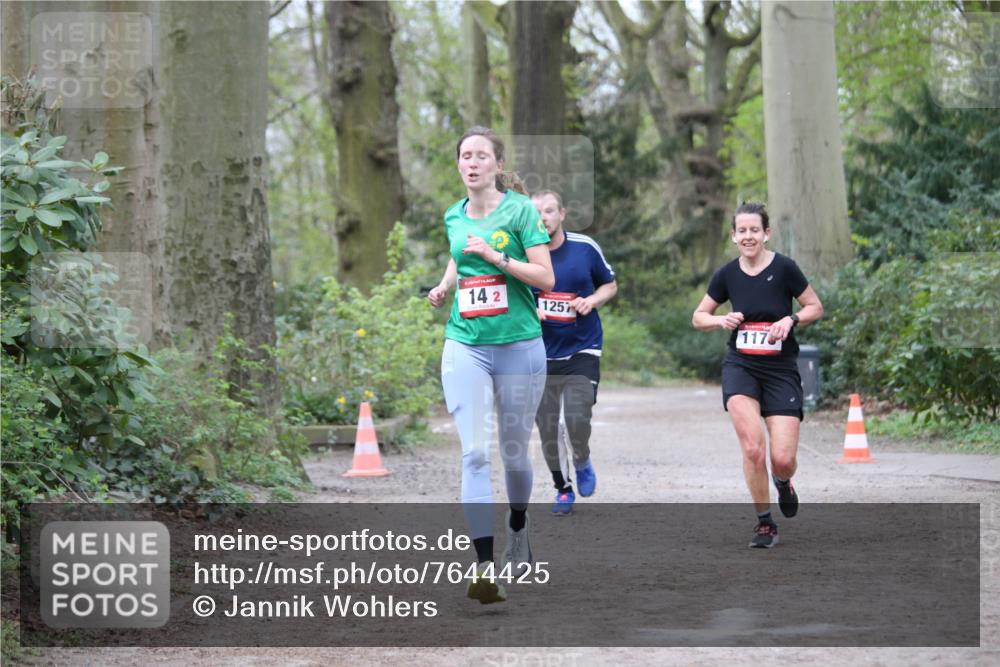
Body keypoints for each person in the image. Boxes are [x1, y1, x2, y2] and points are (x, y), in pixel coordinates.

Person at [427, 127, 554, 603]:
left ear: (498, 165)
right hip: (466, 344)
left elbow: (545, 277)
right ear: (458, 165)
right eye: (465, 155)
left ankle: (518, 523)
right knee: (476, 453)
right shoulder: (453, 214)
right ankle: (484, 568)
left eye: (482, 155)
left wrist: (497, 257)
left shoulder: (520, 211)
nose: (472, 162)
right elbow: (459, 255)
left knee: (514, 452)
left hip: (519, 345)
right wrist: (446, 285)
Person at [691, 202, 823, 549]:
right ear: (733, 237)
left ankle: (783, 481)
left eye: (754, 230)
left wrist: (791, 320)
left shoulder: (784, 268)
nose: (748, 236)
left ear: (766, 234)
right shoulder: (727, 274)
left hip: (780, 370)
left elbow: (815, 306)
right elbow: (699, 317)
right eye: (742, 231)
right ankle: (765, 522)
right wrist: (721, 319)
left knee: (783, 459)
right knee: (752, 449)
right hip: (741, 367)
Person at [531, 190, 617, 515]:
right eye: (536, 213)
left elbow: (610, 284)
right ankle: (562, 488)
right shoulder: (523, 253)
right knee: (547, 427)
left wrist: (591, 301)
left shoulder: (584, 247)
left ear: (562, 214)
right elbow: (512, 295)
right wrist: (530, 310)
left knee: (577, 418)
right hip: (539, 353)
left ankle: (581, 458)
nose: (543, 218)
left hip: (583, 347)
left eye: (549, 211)